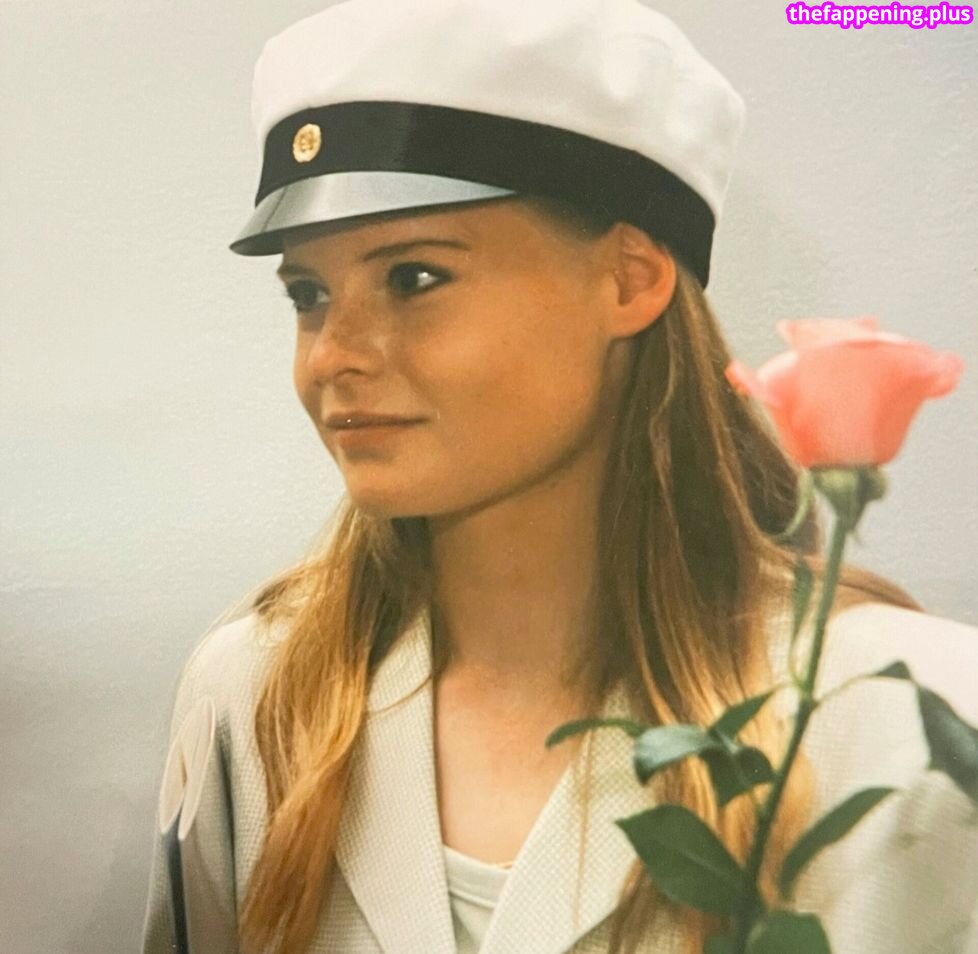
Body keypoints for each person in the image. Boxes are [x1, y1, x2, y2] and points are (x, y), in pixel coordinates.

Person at [140, 1, 978, 953]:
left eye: (413, 277)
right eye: (309, 293)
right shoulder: (260, 694)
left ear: (630, 279)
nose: (333, 354)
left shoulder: (908, 721)